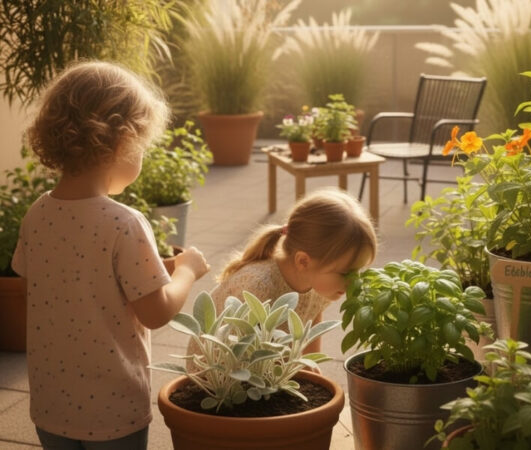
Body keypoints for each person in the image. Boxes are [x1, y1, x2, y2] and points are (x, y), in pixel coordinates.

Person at [11, 61, 210, 449]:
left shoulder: (37, 214)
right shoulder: (124, 223)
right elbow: (155, 312)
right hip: (113, 409)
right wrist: (186, 270)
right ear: (121, 142)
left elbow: (37, 283)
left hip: (52, 405)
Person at [186, 188, 377, 366]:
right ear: (303, 261)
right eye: (345, 273)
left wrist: (308, 364)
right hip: (218, 377)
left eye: (358, 271)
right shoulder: (259, 288)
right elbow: (241, 353)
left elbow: (311, 317)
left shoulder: (316, 281)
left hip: (266, 371)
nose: (354, 281)